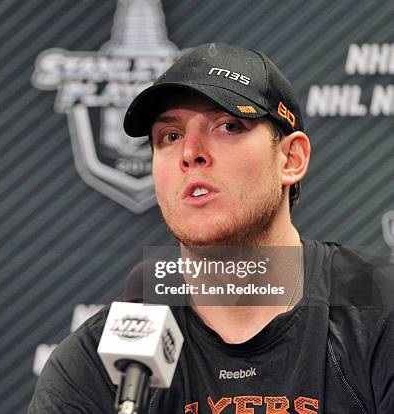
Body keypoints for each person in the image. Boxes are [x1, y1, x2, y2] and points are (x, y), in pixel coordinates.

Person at [28, 43, 394, 413]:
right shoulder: (94, 365)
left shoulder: (381, 308)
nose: (191, 152)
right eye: (169, 136)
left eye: (227, 126)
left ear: (290, 158)